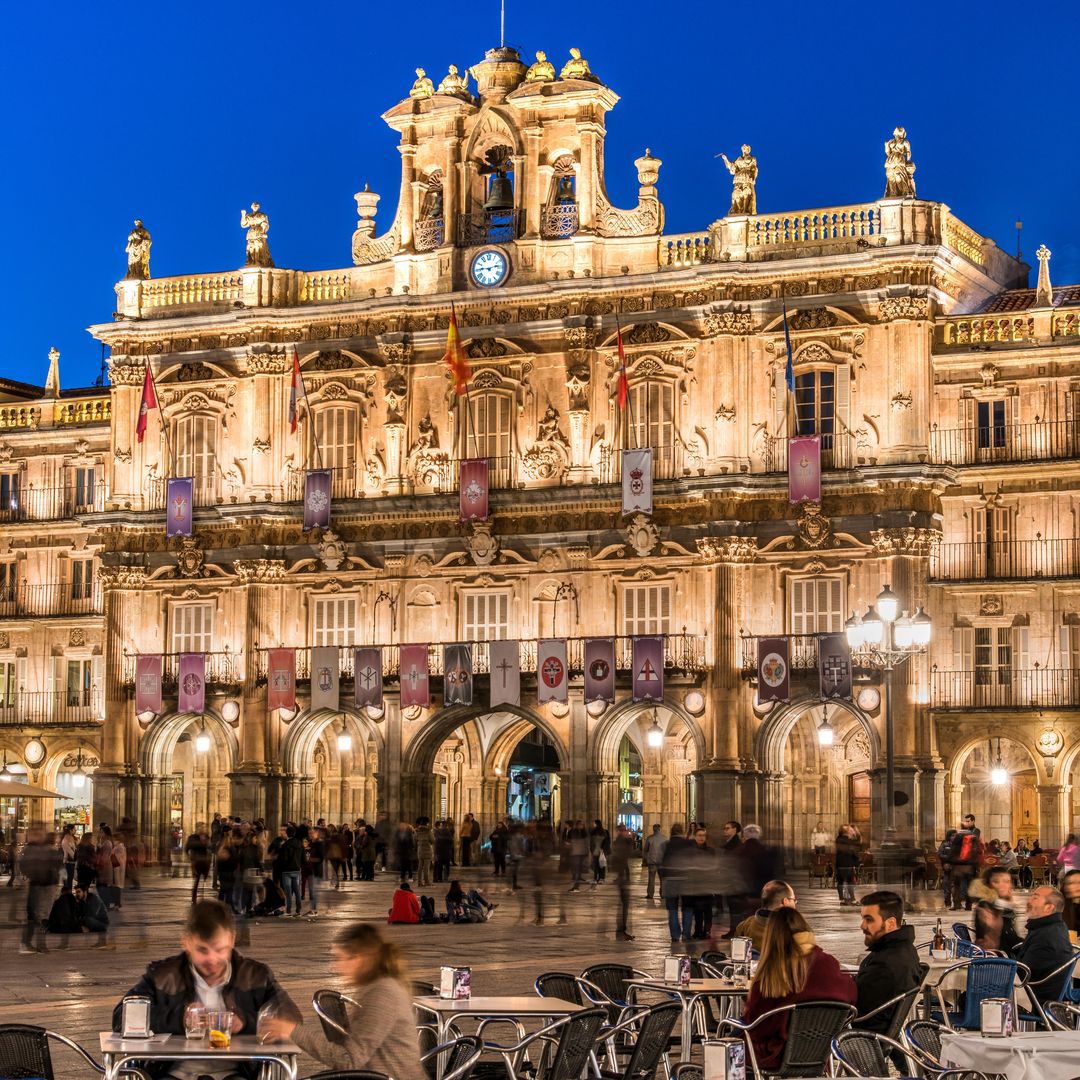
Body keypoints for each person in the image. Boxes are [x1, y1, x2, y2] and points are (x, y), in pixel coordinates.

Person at [111, 900, 298, 1080]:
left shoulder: (257, 976)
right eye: (202, 950)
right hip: (173, 1072)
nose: (212, 959)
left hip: (236, 1073)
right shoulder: (161, 975)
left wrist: (246, 1022)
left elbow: (289, 1017)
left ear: (232, 940)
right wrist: (179, 1018)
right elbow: (122, 1016)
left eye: (220, 949)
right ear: (186, 943)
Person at [262, 923, 423, 1079]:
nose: (333, 966)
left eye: (339, 958)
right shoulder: (377, 987)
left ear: (360, 958)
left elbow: (348, 1061)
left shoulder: (382, 994)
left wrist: (293, 1031)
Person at [741, 907, 856, 1071]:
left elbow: (756, 1027)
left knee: (730, 1043)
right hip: (820, 1054)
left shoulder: (773, 974)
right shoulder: (829, 963)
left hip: (775, 1054)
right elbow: (851, 996)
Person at [853, 890, 922, 1031]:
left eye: (869, 919)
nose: (862, 926)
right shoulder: (903, 949)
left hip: (861, 1037)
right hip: (878, 1031)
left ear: (890, 923)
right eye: (862, 918)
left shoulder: (886, 962)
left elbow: (856, 1004)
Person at [1015, 887, 1073, 1002]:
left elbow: (1023, 974)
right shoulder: (1050, 926)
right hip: (1037, 992)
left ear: (1049, 908)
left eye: (1035, 897)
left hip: (1035, 999)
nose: (1028, 901)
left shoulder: (1047, 936)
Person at [19, 828, 61, 954]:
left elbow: (23, 866)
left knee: (36, 915)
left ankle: (30, 943)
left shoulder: (36, 849)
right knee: (40, 915)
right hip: (42, 885)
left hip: (41, 884)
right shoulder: (40, 850)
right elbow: (58, 864)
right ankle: (34, 944)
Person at [735, 880, 798, 954]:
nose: (795, 904)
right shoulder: (793, 930)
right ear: (786, 901)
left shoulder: (744, 926)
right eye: (794, 900)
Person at [970, 866, 1021, 953]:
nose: (1002, 885)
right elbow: (1003, 940)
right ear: (988, 885)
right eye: (996, 882)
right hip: (996, 957)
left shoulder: (1004, 905)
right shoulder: (986, 905)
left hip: (1007, 952)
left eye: (1007, 881)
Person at [47, 883, 110, 948]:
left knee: (87, 919)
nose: (77, 894)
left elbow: (92, 914)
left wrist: (80, 921)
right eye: (76, 892)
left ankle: (82, 929)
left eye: (79, 892)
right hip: (88, 921)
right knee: (73, 922)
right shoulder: (81, 901)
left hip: (101, 923)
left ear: (85, 892)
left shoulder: (93, 898)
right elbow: (79, 914)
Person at [949, 815, 983, 911]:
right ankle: (968, 905)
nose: (967, 823)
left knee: (956, 885)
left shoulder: (959, 835)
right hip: (969, 864)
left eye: (968, 821)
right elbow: (977, 849)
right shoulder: (975, 833)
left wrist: (950, 861)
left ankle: (957, 904)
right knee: (969, 885)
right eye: (966, 821)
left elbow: (953, 848)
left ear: (973, 821)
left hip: (959, 864)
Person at [835, 825, 860, 906]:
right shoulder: (849, 841)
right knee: (850, 882)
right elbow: (854, 853)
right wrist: (856, 864)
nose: (851, 830)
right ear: (846, 832)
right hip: (848, 864)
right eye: (850, 829)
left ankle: (842, 899)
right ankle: (852, 899)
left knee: (840, 882)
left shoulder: (838, 839)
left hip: (840, 865)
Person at [643, 823, 666, 901]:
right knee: (662, 879)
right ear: (660, 829)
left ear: (653, 829)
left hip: (652, 861)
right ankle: (663, 894)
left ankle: (650, 894)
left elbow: (645, 850)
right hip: (662, 861)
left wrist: (646, 859)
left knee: (651, 879)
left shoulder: (650, 838)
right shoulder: (665, 839)